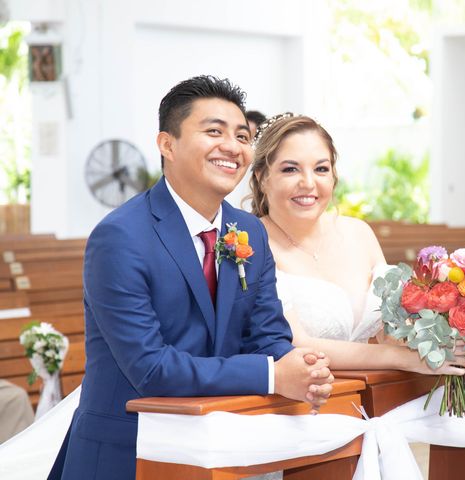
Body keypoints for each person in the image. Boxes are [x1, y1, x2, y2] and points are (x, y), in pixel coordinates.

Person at [48, 76, 333, 480]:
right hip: (128, 454)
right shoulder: (120, 237)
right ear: (167, 144)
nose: (232, 147)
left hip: (222, 448)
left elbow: (268, 334)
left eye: (241, 135)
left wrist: (302, 368)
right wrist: (273, 375)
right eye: (213, 131)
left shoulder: (249, 232)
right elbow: (149, 368)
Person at [248, 113, 465, 375]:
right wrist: (400, 358)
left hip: (378, 393)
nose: (309, 183)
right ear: (261, 177)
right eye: (290, 169)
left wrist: (441, 341)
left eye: (321, 169)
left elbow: (389, 331)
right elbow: (298, 345)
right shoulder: (251, 245)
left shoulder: (358, 232)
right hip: (306, 399)